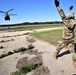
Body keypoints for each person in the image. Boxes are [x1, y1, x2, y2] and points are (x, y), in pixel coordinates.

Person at [53, 0, 76, 68]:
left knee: (58, 47)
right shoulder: (74, 21)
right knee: (73, 52)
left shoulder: (66, 21)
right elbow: (72, 15)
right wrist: (71, 10)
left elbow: (62, 14)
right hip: (71, 39)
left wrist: (57, 6)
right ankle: (75, 63)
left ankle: (55, 55)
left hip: (64, 39)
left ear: (67, 17)